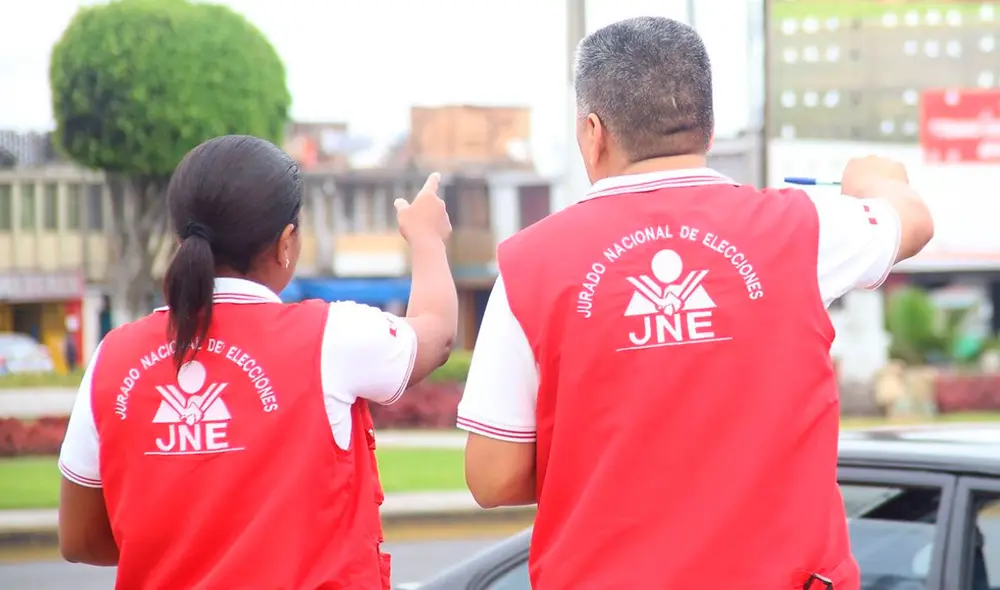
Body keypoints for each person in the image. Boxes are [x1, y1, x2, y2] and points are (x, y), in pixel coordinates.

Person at [456, 16, 934, 590]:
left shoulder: (529, 265)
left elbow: (493, 477)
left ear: (593, 132)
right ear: (707, 130)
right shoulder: (801, 229)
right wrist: (875, 180)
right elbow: (912, 220)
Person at [57, 135, 457, 589]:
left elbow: (79, 538)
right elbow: (436, 333)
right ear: (286, 242)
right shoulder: (330, 336)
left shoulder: (112, 356)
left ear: (179, 239)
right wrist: (426, 238)